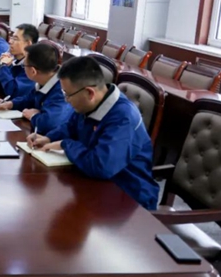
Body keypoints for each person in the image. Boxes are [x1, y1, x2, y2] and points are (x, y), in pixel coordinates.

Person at [28, 56, 160, 210]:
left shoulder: (123, 117)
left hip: (128, 197)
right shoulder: (89, 103)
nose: (66, 100)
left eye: (68, 95)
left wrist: (65, 144)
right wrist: (48, 137)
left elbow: (101, 166)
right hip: (96, 183)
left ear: (90, 93)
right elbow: (71, 126)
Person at [0, 43, 71, 135]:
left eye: (24, 66)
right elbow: (29, 98)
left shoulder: (63, 89)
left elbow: (50, 124)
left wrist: (34, 116)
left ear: (33, 71)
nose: (23, 68)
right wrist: (11, 104)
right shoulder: (45, 79)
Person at [0, 23, 39, 99]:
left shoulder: (32, 67)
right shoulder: (14, 60)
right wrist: (0, 65)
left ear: (28, 44)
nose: (10, 41)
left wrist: (3, 66)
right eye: (11, 37)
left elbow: (13, 92)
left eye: (15, 39)